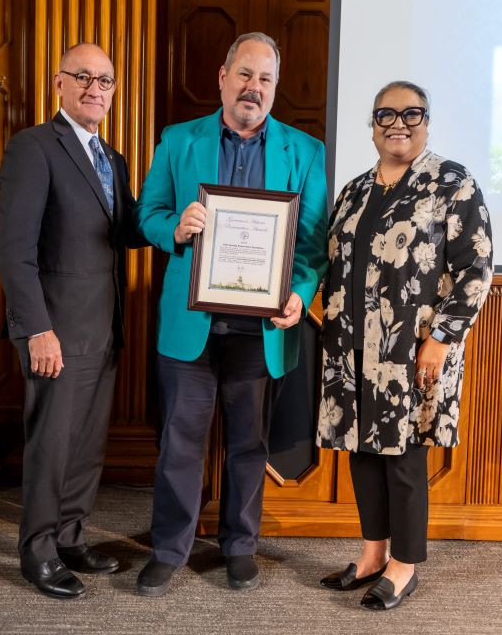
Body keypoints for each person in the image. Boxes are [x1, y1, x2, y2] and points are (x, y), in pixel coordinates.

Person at [133, 32, 328, 597]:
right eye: (245, 75)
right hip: (191, 325)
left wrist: (300, 292)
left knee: (249, 444)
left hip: (260, 329)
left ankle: (240, 545)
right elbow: (148, 212)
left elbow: (312, 244)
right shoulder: (178, 140)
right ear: (222, 77)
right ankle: (171, 547)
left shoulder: (305, 152)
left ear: (275, 88)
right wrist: (174, 228)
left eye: (265, 79)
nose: (254, 88)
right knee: (180, 442)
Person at [317, 81, 493, 610]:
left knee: (403, 456)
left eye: (411, 113)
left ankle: (404, 564)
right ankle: (372, 554)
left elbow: (476, 268)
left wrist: (441, 340)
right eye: (386, 114)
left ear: (427, 121)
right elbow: (333, 263)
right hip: (351, 348)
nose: (398, 123)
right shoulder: (353, 191)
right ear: (372, 123)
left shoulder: (453, 183)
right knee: (362, 453)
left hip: (413, 351)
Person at [0, 43, 145, 600]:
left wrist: (182, 222)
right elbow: (14, 250)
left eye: (105, 80)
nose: (95, 88)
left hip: (103, 328)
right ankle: (37, 551)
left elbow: (127, 231)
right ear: (58, 82)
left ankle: (71, 536)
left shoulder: (115, 159)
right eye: (83, 77)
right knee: (51, 444)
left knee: (85, 444)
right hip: (54, 331)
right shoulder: (33, 148)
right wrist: (36, 328)